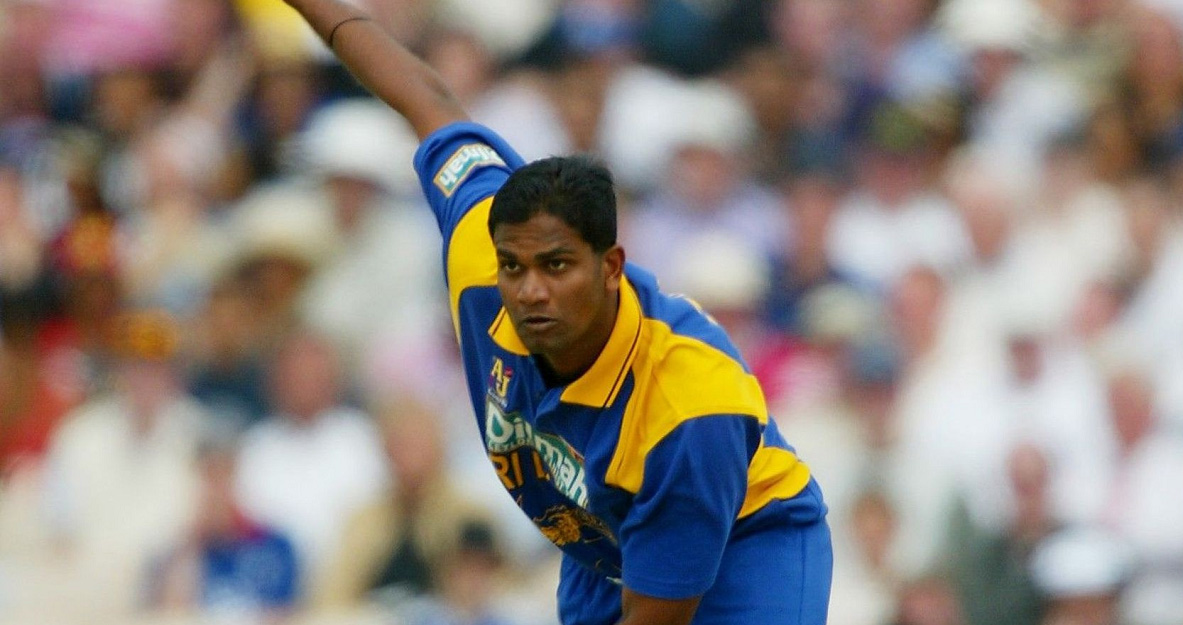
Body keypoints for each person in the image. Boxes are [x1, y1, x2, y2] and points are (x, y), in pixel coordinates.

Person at [279, 2, 833, 624]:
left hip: (747, 539)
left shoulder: (688, 407)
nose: (530, 291)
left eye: (557, 265)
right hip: (604, 533)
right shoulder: (478, 247)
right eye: (514, 267)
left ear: (611, 266)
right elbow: (424, 97)